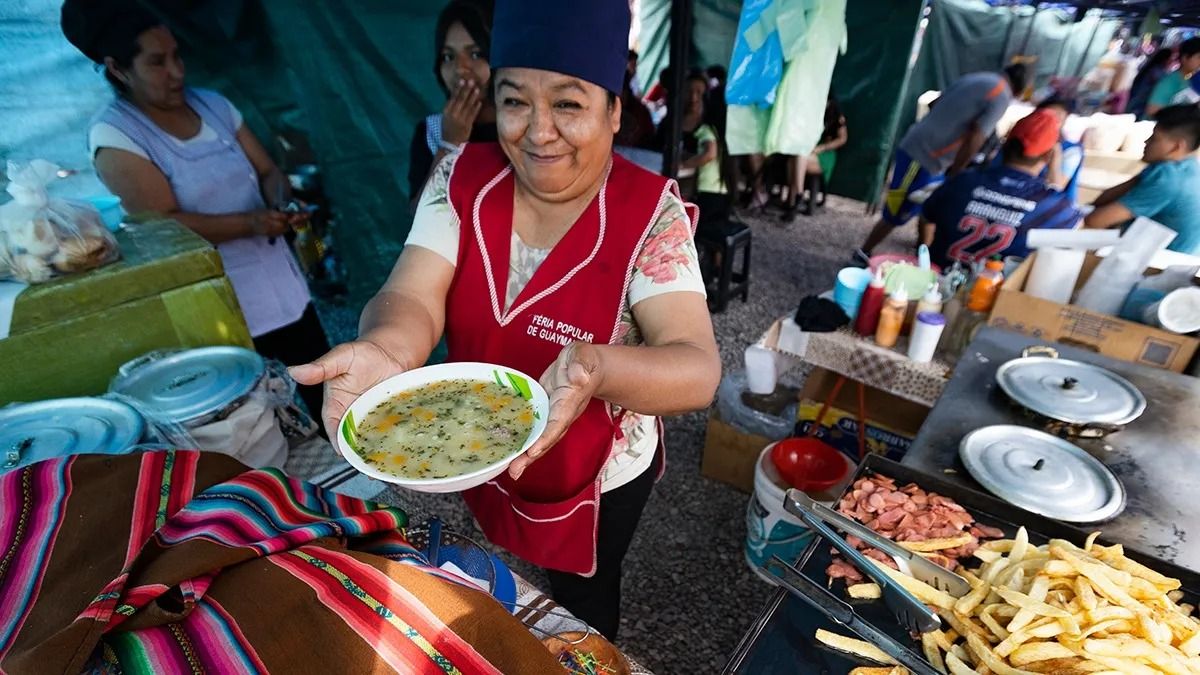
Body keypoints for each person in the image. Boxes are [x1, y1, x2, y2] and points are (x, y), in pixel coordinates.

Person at [292, 0, 721, 642]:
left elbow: (695, 365)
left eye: (569, 105)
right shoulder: (459, 177)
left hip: (599, 470)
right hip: (482, 439)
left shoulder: (647, 214)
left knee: (583, 600)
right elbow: (411, 293)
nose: (537, 132)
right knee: (506, 572)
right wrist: (387, 346)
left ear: (614, 109)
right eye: (515, 101)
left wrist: (597, 365)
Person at [62, 2, 330, 421]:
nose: (177, 71)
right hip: (216, 302)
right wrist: (252, 223)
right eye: (157, 62)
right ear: (118, 69)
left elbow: (267, 170)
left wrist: (281, 201)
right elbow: (163, 223)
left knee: (321, 385)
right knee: (257, 415)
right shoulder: (117, 135)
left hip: (282, 285)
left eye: (177, 56)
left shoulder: (214, 106)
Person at [853, 64, 1028, 264]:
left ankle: (922, 258)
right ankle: (864, 251)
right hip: (922, 156)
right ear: (1020, 90)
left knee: (929, 206)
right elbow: (977, 136)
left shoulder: (976, 77)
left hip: (926, 152)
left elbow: (934, 103)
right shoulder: (1001, 96)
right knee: (898, 207)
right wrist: (958, 171)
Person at [920, 109, 1082, 270]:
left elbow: (926, 217)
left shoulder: (963, 180)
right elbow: (1070, 244)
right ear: (1049, 156)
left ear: (1005, 144)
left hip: (937, 281)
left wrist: (924, 261)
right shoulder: (1056, 206)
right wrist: (1054, 173)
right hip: (994, 291)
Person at [408, 0, 497, 205]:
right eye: (448, 57)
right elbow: (420, 217)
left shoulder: (527, 126)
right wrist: (450, 143)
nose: (460, 69)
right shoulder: (431, 133)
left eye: (475, 54)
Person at [1084, 104, 1200, 255]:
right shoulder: (1186, 166)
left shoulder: (1169, 178)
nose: (1146, 142)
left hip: (1159, 265)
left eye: (1154, 138)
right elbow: (1101, 201)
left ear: (1176, 147)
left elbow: (1095, 220)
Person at [1146, 38, 1200, 117]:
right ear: (1185, 58)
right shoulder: (1169, 82)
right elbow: (1153, 111)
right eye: (1199, 57)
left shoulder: (1189, 81)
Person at [1129, 47, 1173, 119]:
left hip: (1136, 102)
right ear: (1165, 59)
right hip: (1140, 105)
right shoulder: (1157, 72)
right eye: (1171, 59)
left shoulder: (1152, 68)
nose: (1171, 61)